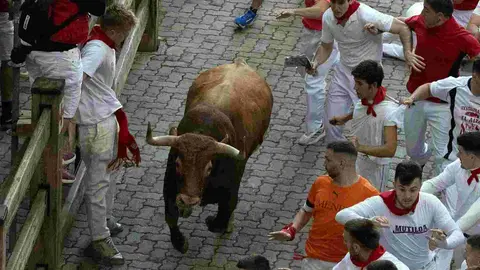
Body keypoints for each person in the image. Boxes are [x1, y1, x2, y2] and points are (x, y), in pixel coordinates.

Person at [306, 0, 421, 143]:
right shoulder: (328, 17)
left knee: (368, 128)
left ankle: (365, 157)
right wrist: (316, 63)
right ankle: (339, 158)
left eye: (341, 2)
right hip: (343, 73)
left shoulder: (365, 13)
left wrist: (407, 53)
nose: (336, 8)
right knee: (331, 124)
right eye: (333, 2)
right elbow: (326, 47)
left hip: (367, 80)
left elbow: (402, 27)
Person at [16, 0, 106, 182]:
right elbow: (99, 8)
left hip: (32, 48)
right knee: (64, 112)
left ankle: (52, 162)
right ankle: (51, 170)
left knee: (42, 104)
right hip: (58, 54)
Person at [78, 4, 139, 264]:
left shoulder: (102, 43)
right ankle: (99, 239)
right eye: (124, 34)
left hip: (104, 118)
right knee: (98, 184)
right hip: (96, 123)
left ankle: (106, 220)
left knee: (110, 176)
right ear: (113, 30)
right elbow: (78, 76)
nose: (125, 39)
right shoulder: (97, 50)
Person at [268, 141, 379, 269]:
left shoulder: (370, 194)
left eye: (328, 160)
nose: (324, 163)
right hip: (313, 260)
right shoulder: (320, 183)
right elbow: (306, 210)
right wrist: (292, 229)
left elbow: (375, 233)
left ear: (342, 163)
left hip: (346, 263)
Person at [336, 161, 465, 270]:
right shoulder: (380, 203)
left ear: (420, 186)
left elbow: (458, 235)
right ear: (394, 185)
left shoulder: (430, 202)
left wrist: (444, 244)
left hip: (426, 267)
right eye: (402, 189)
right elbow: (341, 215)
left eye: (413, 190)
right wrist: (370, 223)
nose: (407, 196)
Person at [400, 0, 480, 176]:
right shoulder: (420, 21)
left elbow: (477, 56)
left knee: (441, 156)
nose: (421, 14)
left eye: (426, 11)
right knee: (413, 151)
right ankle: (421, 159)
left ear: (440, 17)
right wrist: (407, 51)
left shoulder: (462, 37)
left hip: (443, 105)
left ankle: (441, 193)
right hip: (416, 97)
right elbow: (400, 25)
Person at [401, 58, 480, 219]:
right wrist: (413, 98)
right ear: (475, 75)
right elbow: (429, 88)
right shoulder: (456, 86)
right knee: (452, 214)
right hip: (455, 160)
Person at [275, 0, 339, 145]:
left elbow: (320, 11)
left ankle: (316, 127)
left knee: (313, 81)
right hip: (314, 33)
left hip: (325, 36)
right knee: (307, 71)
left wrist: (293, 11)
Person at [330, 60, 399, 192]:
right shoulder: (363, 101)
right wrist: (345, 118)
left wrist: (360, 148)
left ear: (373, 86)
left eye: (359, 84)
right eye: (355, 82)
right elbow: (361, 109)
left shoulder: (390, 112)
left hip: (376, 169)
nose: (355, 88)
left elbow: (390, 150)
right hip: (356, 160)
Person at [420, 132, 480, 270]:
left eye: (460, 152)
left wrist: (449, 232)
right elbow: (435, 184)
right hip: (456, 227)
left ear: (471, 157)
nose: (457, 155)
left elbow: (473, 215)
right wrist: (416, 196)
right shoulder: (458, 165)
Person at [384, 0, 480, 60]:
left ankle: (385, 47)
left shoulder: (459, 33)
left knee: (421, 54)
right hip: (440, 11)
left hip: (455, 17)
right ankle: (381, 34)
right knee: (413, 21)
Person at [333, 218, 409, 270]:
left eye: (346, 240)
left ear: (356, 247)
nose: (344, 243)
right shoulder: (352, 257)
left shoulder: (396, 267)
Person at [0, 0, 13, 130]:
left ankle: (7, 109)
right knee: (7, 61)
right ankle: (7, 111)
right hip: (5, 14)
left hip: (5, 15)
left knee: (7, 62)